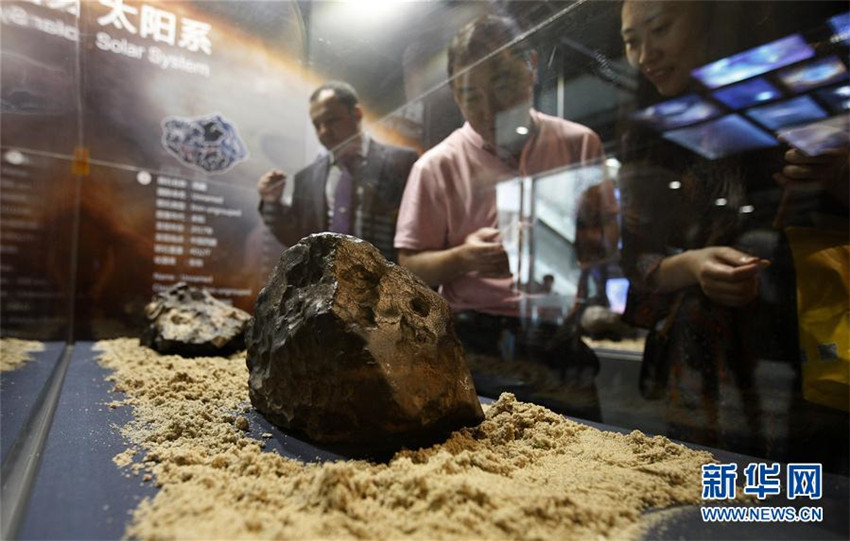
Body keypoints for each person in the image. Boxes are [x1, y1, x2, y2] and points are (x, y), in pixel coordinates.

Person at [619, 0, 849, 468]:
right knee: (709, 500)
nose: (644, 55)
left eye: (659, 28)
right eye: (630, 40)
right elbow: (637, 263)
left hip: (815, 347)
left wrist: (839, 173)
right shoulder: (647, 135)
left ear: (709, 15)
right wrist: (693, 265)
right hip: (703, 365)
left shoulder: (796, 79)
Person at [394, 14, 606, 420]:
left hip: (559, 339)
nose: (490, 110)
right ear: (455, 93)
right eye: (472, 96)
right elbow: (409, 266)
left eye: (504, 84)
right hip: (474, 342)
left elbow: (603, 246)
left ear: (531, 68)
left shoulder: (580, 144)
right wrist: (466, 257)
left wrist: (554, 243)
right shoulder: (436, 165)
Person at [257, 81, 418, 262]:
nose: (324, 131)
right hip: (326, 286)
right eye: (317, 125)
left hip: (387, 285)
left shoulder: (402, 162)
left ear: (356, 114)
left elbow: (417, 231)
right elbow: (297, 238)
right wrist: (272, 202)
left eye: (331, 120)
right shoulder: (307, 179)